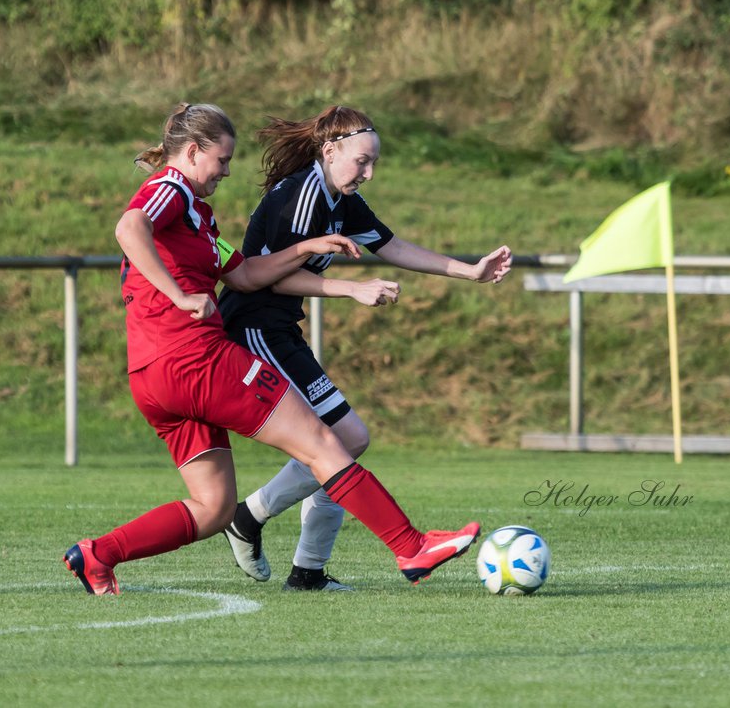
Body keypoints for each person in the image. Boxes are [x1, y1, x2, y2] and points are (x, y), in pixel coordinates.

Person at [63, 102, 479, 595]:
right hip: (196, 360)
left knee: (214, 509)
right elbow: (129, 228)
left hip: (153, 378)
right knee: (327, 441)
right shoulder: (169, 188)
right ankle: (410, 546)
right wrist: (178, 295)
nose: (227, 170)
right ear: (193, 152)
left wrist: (307, 248)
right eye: (222, 159)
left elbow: (243, 274)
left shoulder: (198, 217)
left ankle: (98, 555)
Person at [218, 105, 512, 591]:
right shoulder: (302, 196)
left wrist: (469, 271)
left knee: (347, 440)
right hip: (254, 328)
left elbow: (391, 246)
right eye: (362, 162)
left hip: (280, 329)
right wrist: (351, 289)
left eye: (374, 163)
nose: (369, 173)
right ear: (330, 152)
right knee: (346, 439)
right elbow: (266, 278)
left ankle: (294, 558)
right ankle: (256, 523)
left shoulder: (336, 196)